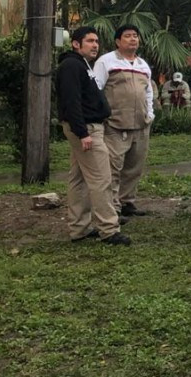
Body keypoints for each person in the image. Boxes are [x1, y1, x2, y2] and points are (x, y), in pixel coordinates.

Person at [57, 27, 130, 245]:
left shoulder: (82, 65)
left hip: (88, 127)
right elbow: (71, 101)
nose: (95, 45)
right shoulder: (71, 65)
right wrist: (82, 133)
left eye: (96, 41)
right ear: (76, 44)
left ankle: (79, 228)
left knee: (79, 179)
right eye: (89, 41)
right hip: (86, 129)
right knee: (101, 178)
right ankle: (108, 228)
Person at [93, 24, 155, 217]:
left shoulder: (143, 65)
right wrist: (103, 117)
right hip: (115, 125)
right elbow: (96, 90)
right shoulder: (106, 61)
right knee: (113, 168)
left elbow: (149, 92)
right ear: (118, 41)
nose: (133, 39)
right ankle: (112, 208)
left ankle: (127, 201)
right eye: (127, 36)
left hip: (140, 125)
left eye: (135, 36)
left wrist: (150, 115)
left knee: (134, 167)